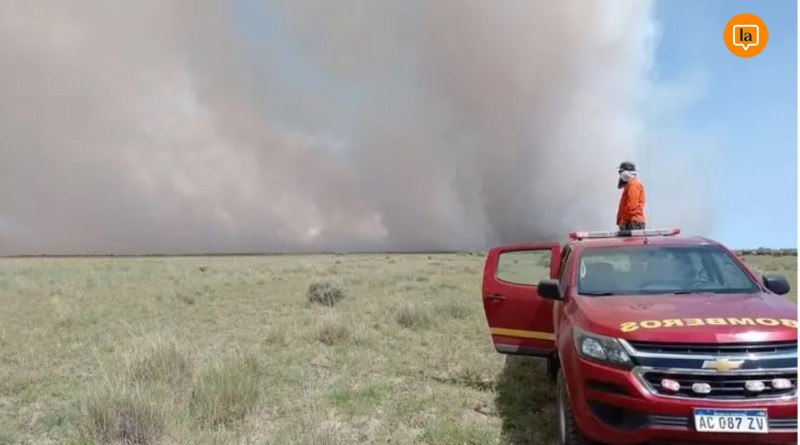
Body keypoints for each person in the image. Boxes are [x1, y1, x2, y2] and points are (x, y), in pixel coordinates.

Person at [616, 161, 646, 231]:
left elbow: (631, 207)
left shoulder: (633, 184)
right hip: (630, 221)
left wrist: (623, 220)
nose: (620, 174)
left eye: (621, 171)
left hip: (633, 221)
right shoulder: (630, 185)